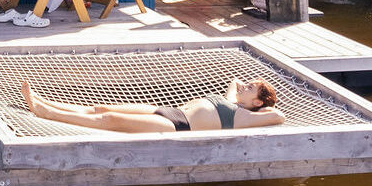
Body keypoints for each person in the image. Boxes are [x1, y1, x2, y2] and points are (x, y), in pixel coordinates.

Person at [21, 77, 284, 134]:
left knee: (110, 120)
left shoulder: (246, 118)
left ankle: (46, 113)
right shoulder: (232, 102)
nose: (244, 86)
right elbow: (234, 82)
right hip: (169, 110)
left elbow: (278, 116)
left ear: (258, 102)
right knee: (101, 108)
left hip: (177, 125)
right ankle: (45, 102)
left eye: (251, 89)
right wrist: (244, 90)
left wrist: (261, 106)